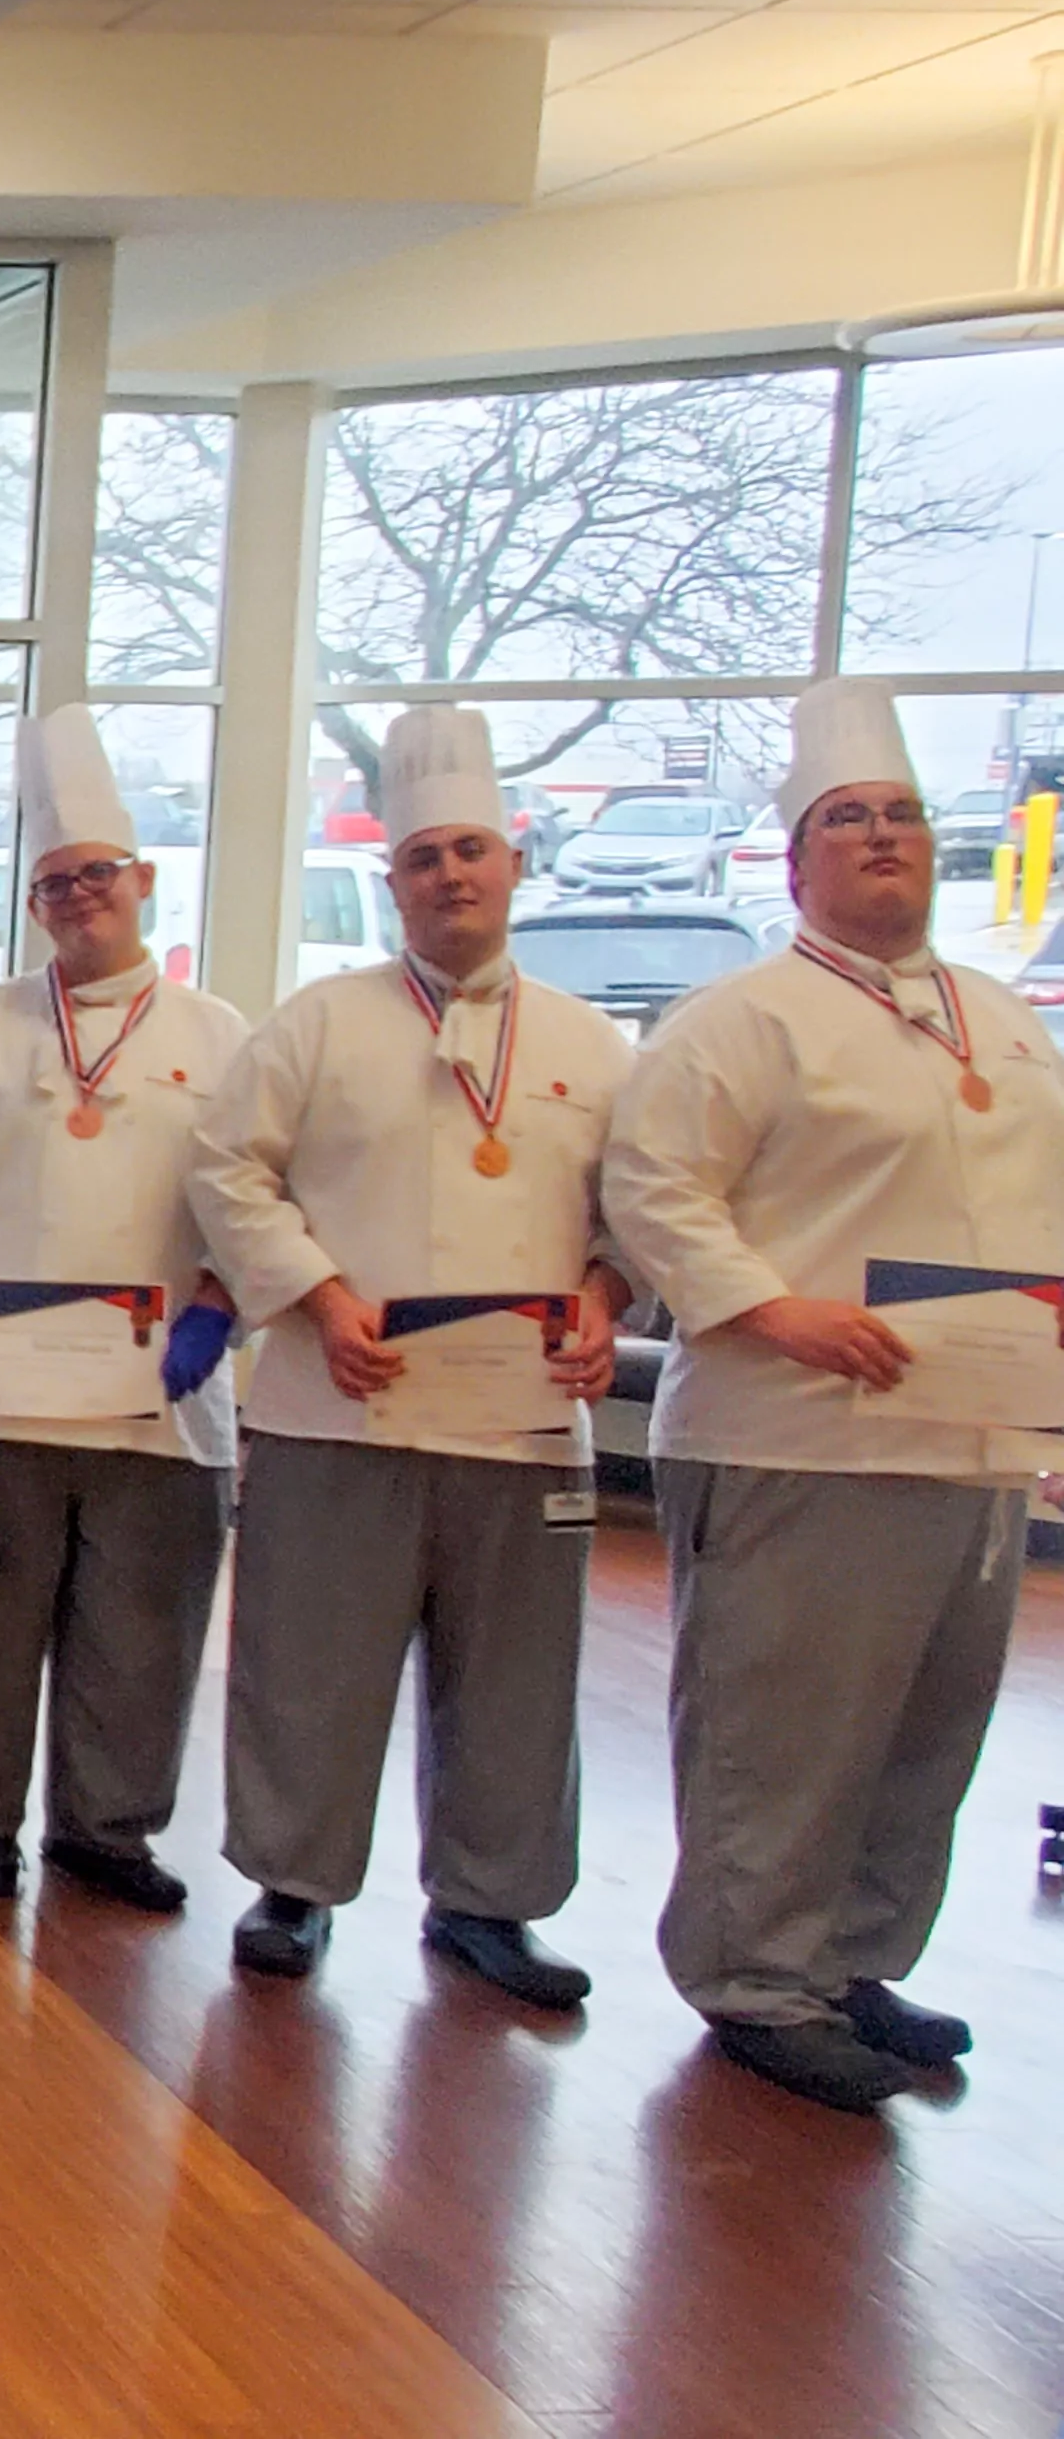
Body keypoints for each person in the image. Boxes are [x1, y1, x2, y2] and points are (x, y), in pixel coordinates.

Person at [602, 677, 1056, 2113]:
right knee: (783, 1722)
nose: (883, 839)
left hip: (970, 1433)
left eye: (905, 817)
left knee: (925, 1727)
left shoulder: (999, 1019)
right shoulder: (741, 1019)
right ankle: (754, 1974)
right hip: (797, 1427)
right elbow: (654, 1190)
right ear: (797, 863)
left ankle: (855, 1958)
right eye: (848, 820)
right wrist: (770, 1308)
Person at [187, 702, 629, 2008]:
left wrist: (607, 1300)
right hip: (341, 1406)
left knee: (516, 1679)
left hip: (524, 1417)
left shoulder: (591, 1048)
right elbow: (227, 1171)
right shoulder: (318, 1027)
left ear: (515, 864)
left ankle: (489, 1906)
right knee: (309, 1662)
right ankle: (293, 1884)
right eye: (424, 858)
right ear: (393, 883)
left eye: (472, 853)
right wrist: (319, 1299)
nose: (450, 877)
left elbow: (635, 1216)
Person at [0, 707, 246, 1908]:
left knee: (140, 1633)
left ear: (143, 883)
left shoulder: (221, 1036)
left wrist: (217, 1311)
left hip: (156, 1394)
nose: (79, 897)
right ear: (33, 904)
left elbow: (255, 1198)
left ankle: (109, 1829)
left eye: (97, 876)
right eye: (54, 883)